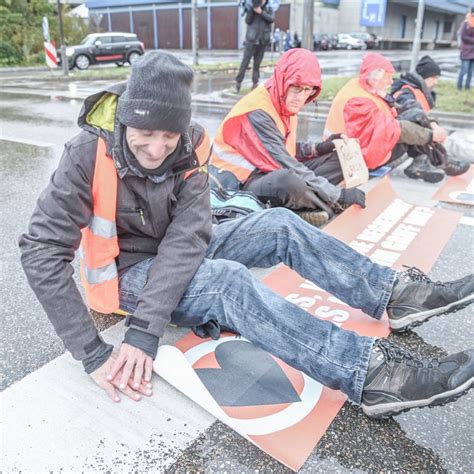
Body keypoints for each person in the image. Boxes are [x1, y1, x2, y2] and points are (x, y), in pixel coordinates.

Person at [20, 51, 474, 419]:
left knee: (279, 225)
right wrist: (97, 352)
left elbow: (188, 237)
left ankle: (394, 295)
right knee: (226, 283)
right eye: (144, 134)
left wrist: (146, 331)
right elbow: (41, 250)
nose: (158, 149)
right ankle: (370, 376)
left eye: (168, 136)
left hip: (177, 250)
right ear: (122, 122)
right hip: (128, 274)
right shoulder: (86, 153)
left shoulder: (193, 143)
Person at [212, 48, 366, 227]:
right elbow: (283, 162)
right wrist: (337, 195)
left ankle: (306, 206)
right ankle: (321, 207)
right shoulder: (257, 111)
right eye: (297, 88)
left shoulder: (284, 100)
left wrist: (320, 147)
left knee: (339, 156)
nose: (301, 97)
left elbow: (286, 148)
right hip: (240, 184)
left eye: (308, 90)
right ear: (283, 81)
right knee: (287, 180)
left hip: (269, 171)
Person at [324, 53, 462, 183]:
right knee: (409, 135)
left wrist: (431, 124)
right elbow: (396, 129)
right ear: (375, 78)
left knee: (414, 116)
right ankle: (441, 161)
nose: (391, 82)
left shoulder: (364, 86)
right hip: (350, 159)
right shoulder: (359, 99)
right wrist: (431, 135)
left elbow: (398, 108)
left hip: (357, 147)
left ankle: (440, 160)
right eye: (388, 77)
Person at [392, 55, 472, 168]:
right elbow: (410, 119)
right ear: (423, 77)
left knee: (448, 140)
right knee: (450, 144)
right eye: (433, 77)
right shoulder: (407, 93)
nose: (436, 82)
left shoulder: (414, 91)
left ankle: (433, 162)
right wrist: (433, 131)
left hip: (415, 136)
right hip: (408, 137)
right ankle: (444, 163)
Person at [235, 0, 274, 93]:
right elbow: (247, 21)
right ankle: (238, 82)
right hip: (251, 40)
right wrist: (252, 10)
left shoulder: (269, 8)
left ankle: (255, 83)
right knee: (245, 62)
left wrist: (261, 12)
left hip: (262, 41)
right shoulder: (251, 8)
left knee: (257, 64)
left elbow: (271, 19)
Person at [457, 10, 474, 90]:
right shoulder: (466, 23)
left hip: (473, 53)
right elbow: (463, 36)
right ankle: (459, 86)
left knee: (471, 72)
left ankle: (467, 87)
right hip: (466, 52)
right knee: (464, 70)